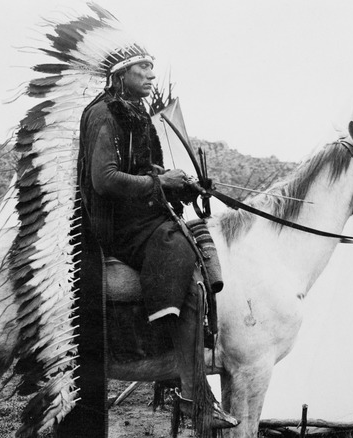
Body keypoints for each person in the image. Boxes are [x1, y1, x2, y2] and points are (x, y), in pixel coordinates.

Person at [76, 46, 238, 430]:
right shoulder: (104, 114)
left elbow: (144, 167)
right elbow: (105, 179)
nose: (151, 75)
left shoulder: (136, 114)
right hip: (114, 223)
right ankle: (194, 397)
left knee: (192, 240)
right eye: (142, 68)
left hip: (137, 213)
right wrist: (159, 182)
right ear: (120, 75)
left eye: (152, 68)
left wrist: (180, 183)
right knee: (179, 254)